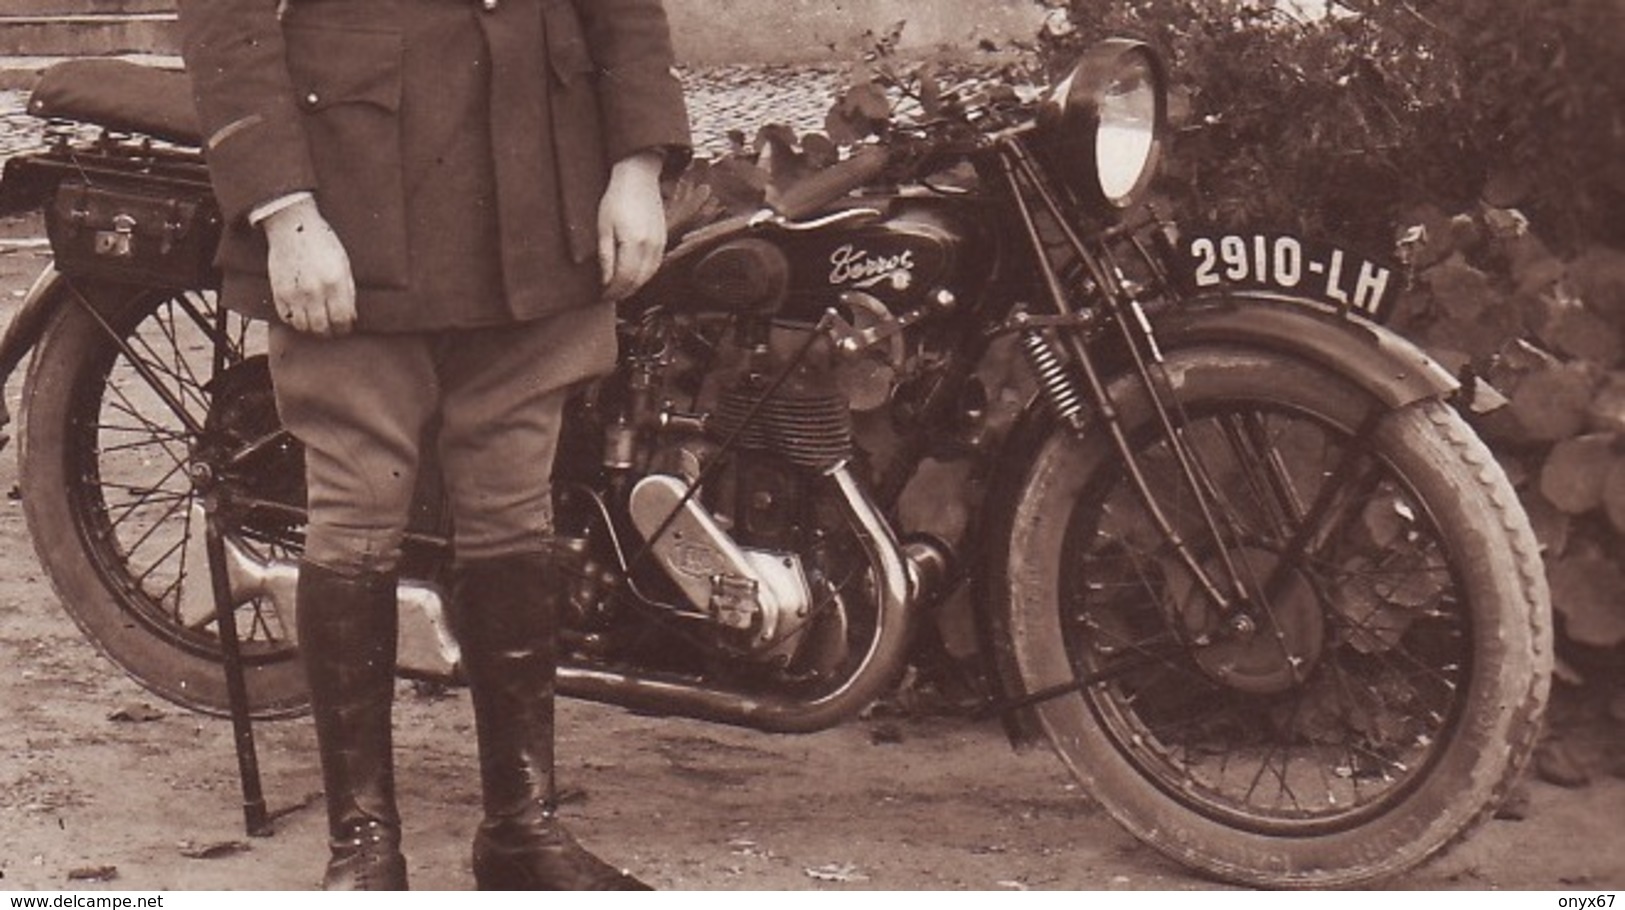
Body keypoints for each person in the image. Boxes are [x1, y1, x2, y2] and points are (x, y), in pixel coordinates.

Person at [175, 0, 691, 891]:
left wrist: (638, 162)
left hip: (538, 195)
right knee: (357, 511)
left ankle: (522, 831)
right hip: (358, 200)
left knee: (513, 513)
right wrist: (284, 212)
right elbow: (229, 23)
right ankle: (365, 847)